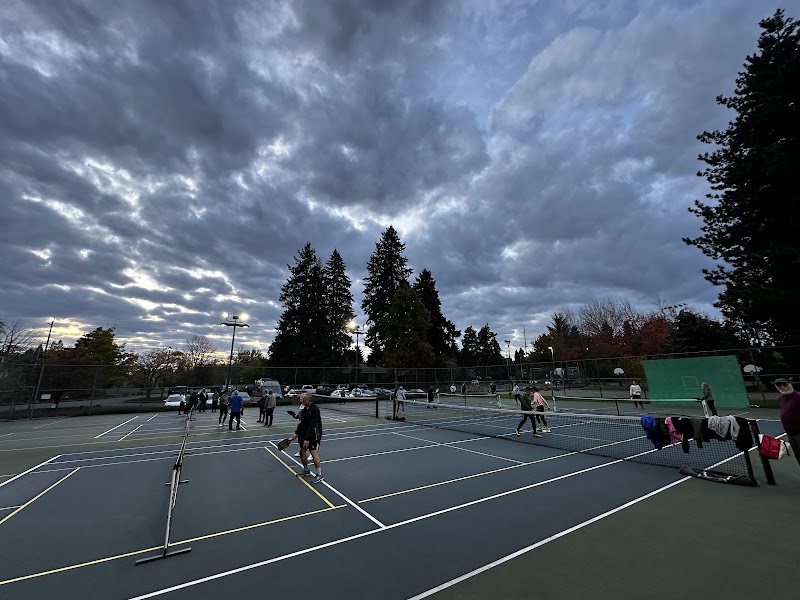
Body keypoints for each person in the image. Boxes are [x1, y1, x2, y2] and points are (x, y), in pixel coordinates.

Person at [290, 393, 324, 483]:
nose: (301, 400)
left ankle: (319, 474)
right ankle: (306, 470)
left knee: (313, 453)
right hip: (306, 433)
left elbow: (312, 425)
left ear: (309, 400)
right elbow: (302, 423)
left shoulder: (315, 409)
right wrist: (296, 432)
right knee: (302, 452)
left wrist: (307, 439)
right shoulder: (305, 409)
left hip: (314, 434)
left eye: (303, 399)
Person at [774, 378, 800, 466]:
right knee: (798, 455)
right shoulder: (781, 399)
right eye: (779, 386)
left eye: (784, 384)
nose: (782, 387)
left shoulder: (798, 397)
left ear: (790, 384)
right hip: (790, 434)